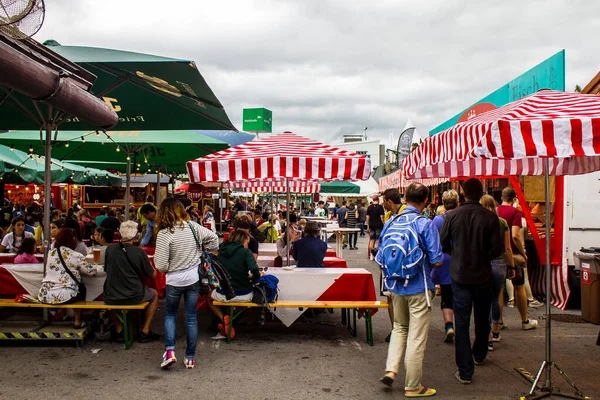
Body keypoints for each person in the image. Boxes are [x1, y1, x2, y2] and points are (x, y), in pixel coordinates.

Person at [378, 183, 443, 398]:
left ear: (405, 198)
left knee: (399, 328)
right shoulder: (425, 223)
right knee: (416, 337)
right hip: (419, 287)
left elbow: (380, 252)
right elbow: (436, 260)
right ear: (425, 200)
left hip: (395, 286)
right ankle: (413, 385)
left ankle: (391, 369)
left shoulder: (392, 221)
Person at [440, 178, 503, 384]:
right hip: (483, 274)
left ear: (463, 194)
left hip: (459, 274)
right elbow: (496, 250)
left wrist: (456, 252)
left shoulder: (452, 216)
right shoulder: (490, 217)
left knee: (462, 321)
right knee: (482, 317)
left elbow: (443, 244)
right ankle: (480, 353)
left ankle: (465, 370)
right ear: (481, 192)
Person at [155, 198, 218, 369]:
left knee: (170, 315)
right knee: (191, 317)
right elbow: (214, 240)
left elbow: (160, 265)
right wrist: (200, 249)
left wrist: (171, 267)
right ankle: (190, 357)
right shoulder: (193, 227)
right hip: (193, 278)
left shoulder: (164, 234)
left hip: (174, 279)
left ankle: (170, 351)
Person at [103, 221, 160, 343]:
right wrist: (151, 265)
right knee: (154, 294)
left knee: (106, 300)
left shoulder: (109, 250)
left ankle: (119, 328)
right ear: (135, 236)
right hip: (134, 295)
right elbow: (153, 276)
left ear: (119, 234)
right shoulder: (139, 252)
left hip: (112, 295)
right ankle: (145, 330)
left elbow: (106, 270)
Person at [497, 187, 541, 328]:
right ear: (514, 199)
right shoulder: (515, 212)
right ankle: (524, 321)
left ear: (502, 198)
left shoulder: (496, 211)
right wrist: (522, 253)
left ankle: (499, 322)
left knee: (499, 289)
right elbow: (515, 235)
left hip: (497, 255)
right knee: (519, 286)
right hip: (512, 255)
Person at [38, 228, 97, 328]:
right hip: (65, 295)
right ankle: (77, 320)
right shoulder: (75, 255)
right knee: (81, 290)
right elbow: (90, 271)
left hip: (45, 294)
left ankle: (61, 312)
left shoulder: (51, 253)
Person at [480, 195, 515, 351]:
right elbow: (508, 248)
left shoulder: (479, 222)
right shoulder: (502, 222)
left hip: (483, 264)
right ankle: (495, 331)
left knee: (483, 300)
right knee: (495, 298)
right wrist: (512, 267)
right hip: (500, 263)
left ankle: (487, 338)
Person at [209, 230, 260, 339]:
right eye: (247, 242)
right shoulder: (246, 252)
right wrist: (254, 276)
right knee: (246, 300)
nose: (247, 245)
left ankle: (224, 318)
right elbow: (255, 269)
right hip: (244, 294)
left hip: (224, 294)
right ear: (243, 241)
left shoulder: (220, 252)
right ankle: (233, 321)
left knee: (209, 298)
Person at [432, 190, 459, 343]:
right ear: (457, 202)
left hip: (444, 259)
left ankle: (449, 325)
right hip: (460, 260)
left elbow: (433, 241)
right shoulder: (462, 217)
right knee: (461, 294)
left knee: (447, 295)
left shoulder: (437, 220)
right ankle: (461, 326)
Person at [380, 188, 406, 342]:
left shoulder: (405, 215)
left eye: (384, 201)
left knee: (401, 296)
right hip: (388, 263)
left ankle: (401, 329)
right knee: (389, 297)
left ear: (389, 201)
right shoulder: (390, 216)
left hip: (400, 264)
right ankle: (395, 329)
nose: (383, 204)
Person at [366, 194, 385, 261]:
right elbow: (382, 217)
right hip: (379, 225)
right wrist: (384, 224)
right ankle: (376, 255)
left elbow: (367, 217)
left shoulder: (369, 207)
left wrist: (368, 225)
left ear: (373, 200)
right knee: (377, 240)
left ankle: (371, 255)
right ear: (378, 199)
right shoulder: (380, 207)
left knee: (371, 240)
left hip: (371, 225)